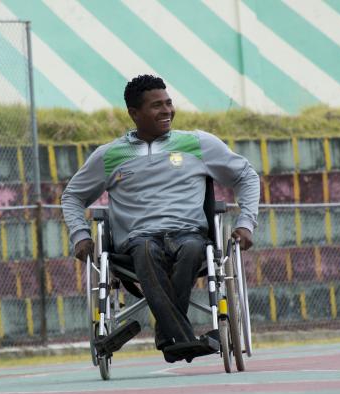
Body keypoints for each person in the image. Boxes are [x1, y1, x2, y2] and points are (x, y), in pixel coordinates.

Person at [61, 74, 259, 363]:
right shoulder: (110, 155)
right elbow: (72, 196)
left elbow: (246, 176)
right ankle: (181, 338)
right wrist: (80, 235)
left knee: (192, 248)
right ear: (134, 113)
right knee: (145, 250)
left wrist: (246, 222)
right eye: (156, 106)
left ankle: (171, 337)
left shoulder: (198, 143)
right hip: (137, 241)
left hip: (188, 235)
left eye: (168, 103)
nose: (167, 110)